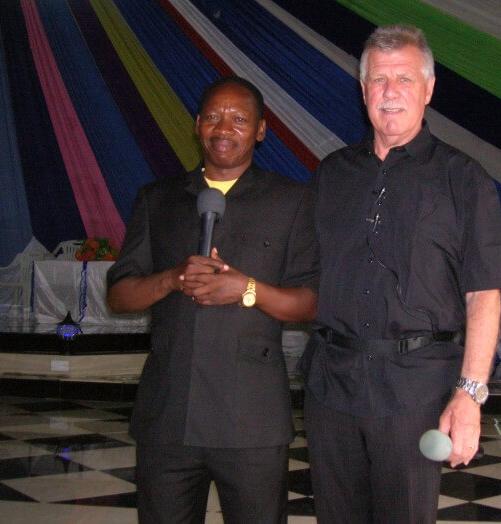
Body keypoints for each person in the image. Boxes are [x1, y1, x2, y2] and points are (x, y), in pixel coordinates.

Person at [299, 24, 501, 523]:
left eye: (404, 78)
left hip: (416, 392)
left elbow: (484, 294)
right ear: (363, 90)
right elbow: (299, 268)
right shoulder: (331, 174)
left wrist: (470, 395)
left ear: (428, 89)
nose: (390, 91)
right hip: (331, 387)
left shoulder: (463, 178)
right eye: (379, 79)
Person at [107, 77, 319, 524]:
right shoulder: (158, 199)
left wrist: (246, 289)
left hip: (252, 422)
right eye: (213, 117)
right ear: (197, 125)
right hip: (168, 417)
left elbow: (311, 303)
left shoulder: (293, 201)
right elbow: (120, 295)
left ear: (260, 130)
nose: (224, 128)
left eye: (239, 119)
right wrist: (171, 279)